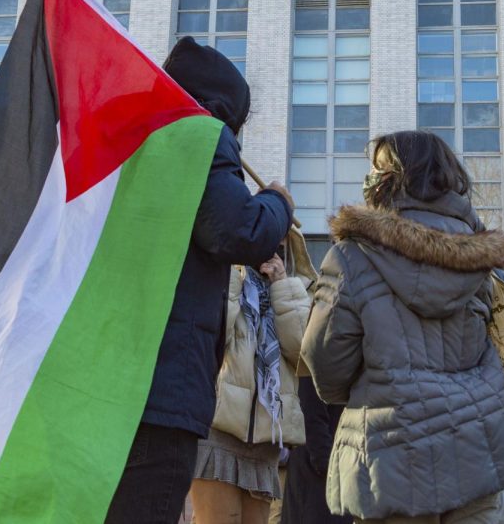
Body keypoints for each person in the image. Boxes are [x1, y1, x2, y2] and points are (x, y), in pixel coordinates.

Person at [104, 37, 294, 524]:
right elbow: (238, 229)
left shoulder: (127, 140)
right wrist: (277, 202)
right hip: (164, 387)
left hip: (109, 377)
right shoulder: (197, 134)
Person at [301, 130, 504, 524]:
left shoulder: (351, 256)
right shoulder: (479, 258)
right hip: (478, 448)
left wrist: (362, 388)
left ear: (388, 181)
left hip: (391, 455)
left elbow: (325, 359)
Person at [190, 254, 311, 523]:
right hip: (218, 430)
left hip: (265, 443)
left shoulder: (295, 285)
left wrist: (281, 283)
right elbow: (212, 337)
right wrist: (233, 262)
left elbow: (305, 354)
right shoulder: (225, 271)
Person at [280, 375, 352, 524]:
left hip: (339, 476)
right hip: (317, 476)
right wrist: (330, 467)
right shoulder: (320, 356)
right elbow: (311, 416)